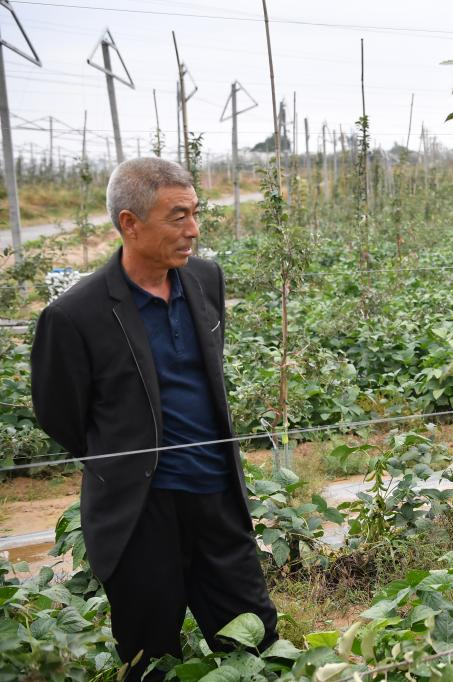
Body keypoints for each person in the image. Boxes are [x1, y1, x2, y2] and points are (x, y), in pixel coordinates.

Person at [31, 157, 277, 680]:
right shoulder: (75, 315)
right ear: (129, 223)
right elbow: (60, 416)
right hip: (140, 516)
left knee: (256, 640)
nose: (193, 230)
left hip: (217, 499)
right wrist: (130, 459)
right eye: (177, 216)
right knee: (150, 659)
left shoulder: (205, 279)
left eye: (195, 214)